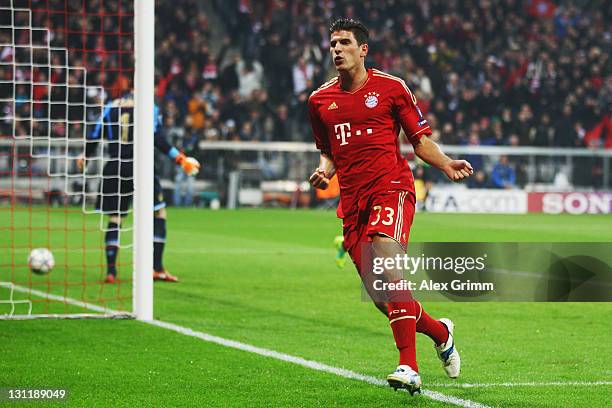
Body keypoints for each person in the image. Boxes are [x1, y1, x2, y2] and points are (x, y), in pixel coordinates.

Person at [307, 18, 472, 394]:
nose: (336, 49)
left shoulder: (391, 88)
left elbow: (420, 140)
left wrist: (445, 162)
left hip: (391, 188)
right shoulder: (319, 101)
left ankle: (408, 366)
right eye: (333, 43)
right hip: (352, 202)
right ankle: (440, 331)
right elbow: (329, 151)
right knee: (384, 299)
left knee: (386, 259)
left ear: (363, 49)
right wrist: (322, 171)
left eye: (344, 42)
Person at [78, 92, 200, 284]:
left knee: (115, 217)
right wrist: (180, 159)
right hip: (140, 167)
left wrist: (85, 155)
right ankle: (156, 268)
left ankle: (111, 271)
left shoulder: (111, 106)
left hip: (114, 167)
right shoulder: (147, 106)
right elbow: (158, 138)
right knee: (158, 213)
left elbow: (95, 133)